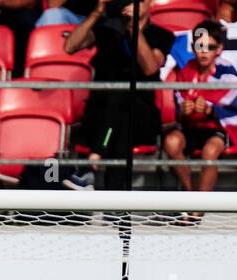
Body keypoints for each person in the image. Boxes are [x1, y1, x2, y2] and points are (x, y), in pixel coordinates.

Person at [62, 0, 175, 190]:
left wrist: (134, 29)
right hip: (102, 118)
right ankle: (117, 211)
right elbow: (70, 47)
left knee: (123, 97)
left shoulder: (161, 35)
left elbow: (150, 68)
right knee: (121, 115)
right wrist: (97, 13)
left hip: (142, 118)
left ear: (149, 4)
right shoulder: (108, 29)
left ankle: (90, 166)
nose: (130, 4)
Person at [163, 20, 237, 196]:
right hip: (190, 127)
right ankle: (190, 193)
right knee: (171, 142)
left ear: (219, 49)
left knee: (210, 150)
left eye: (210, 47)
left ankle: (198, 207)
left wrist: (210, 110)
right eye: (199, 46)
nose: (204, 51)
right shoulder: (186, 70)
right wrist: (183, 109)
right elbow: (178, 100)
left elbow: (235, 106)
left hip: (217, 129)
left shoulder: (227, 71)